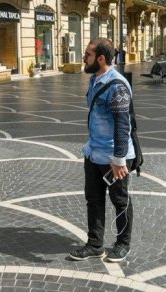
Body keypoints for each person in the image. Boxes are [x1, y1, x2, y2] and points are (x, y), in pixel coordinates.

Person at [69, 38, 135, 263]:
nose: (83, 58)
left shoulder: (117, 86)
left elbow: (122, 125)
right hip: (94, 152)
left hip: (113, 157)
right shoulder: (94, 80)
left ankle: (123, 244)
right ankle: (95, 244)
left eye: (87, 54)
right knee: (94, 200)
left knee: (120, 200)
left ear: (101, 58)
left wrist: (119, 159)